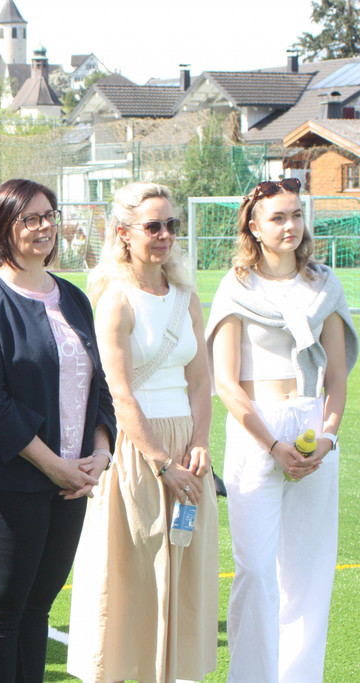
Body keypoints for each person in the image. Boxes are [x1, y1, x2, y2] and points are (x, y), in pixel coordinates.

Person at [0, 178, 116, 682]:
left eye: (50, 215)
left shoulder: (73, 297)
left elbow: (99, 384)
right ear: (3, 227)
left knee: (38, 608)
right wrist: (54, 466)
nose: (45, 226)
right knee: (3, 611)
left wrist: (100, 455)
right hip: (7, 482)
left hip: (70, 483)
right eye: (31, 218)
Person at [205, 177, 357, 683]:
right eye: (277, 217)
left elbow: (337, 376)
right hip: (257, 430)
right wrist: (272, 444)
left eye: (296, 215)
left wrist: (328, 435)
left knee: (308, 572)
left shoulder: (324, 284)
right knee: (254, 568)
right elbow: (225, 383)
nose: (290, 226)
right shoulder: (236, 287)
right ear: (253, 226)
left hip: (314, 426)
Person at [67, 182, 218, 683]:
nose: (165, 235)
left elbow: (201, 380)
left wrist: (199, 442)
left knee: (185, 573)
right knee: (134, 574)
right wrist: (161, 461)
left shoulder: (187, 298)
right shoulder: (116, 301)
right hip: (138, 450)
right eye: (153, 226)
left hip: (187, 446)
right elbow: (120, 392)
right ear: (124, 234)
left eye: (171, 225)